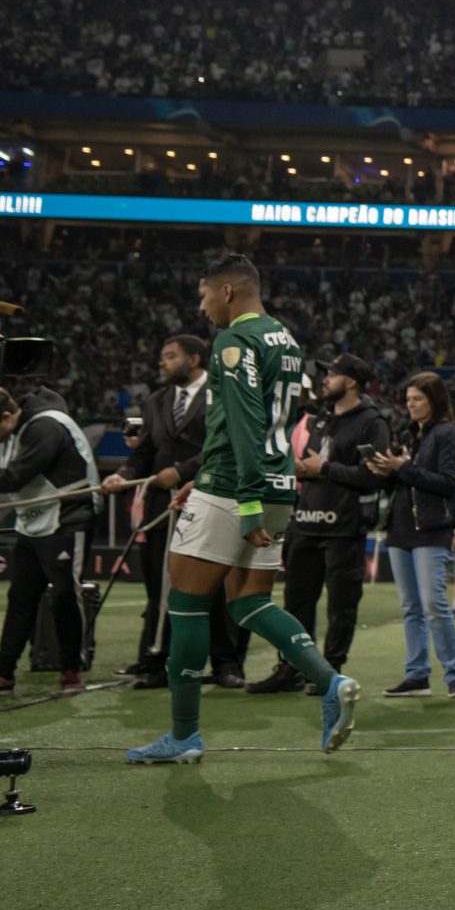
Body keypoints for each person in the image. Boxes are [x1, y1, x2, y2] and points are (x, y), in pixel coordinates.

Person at [126, 253, 356, 764]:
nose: (202, 306)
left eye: (204, 295)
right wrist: (215, 486)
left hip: (239, 489)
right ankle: (329, 680)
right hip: (276, 485)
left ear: (228, 291)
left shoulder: (233, 341)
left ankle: (183, 735)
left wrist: (241, 500)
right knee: (250, 604)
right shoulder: (286, 340)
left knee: (184, 605)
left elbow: (244, 424)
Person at [102, 335, 243, 690]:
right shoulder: (155, 401)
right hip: (161, 506)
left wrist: (182, 472)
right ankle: (157, 661)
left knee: (211, 586)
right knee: (159, 587)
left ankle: (226, 663)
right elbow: (145, 451)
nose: (161, 362)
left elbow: (229, 446)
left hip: (209, 499)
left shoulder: (224, 393)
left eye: (170, 356)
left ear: (194, 359)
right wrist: (125, 474)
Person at [253, 354, 388, 695]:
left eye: (332, 374)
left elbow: (373, 477)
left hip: (344, 528)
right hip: (305, 524)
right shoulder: (318, 420)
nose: (324, 379)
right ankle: (291, 669)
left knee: (341, 606)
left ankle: (328, 673)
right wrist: (302, 469)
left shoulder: (373, 423)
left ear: (352, 382)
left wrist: (323, 468)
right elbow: (310, 466)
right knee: (295, 603)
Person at [369, 372, 455, 699]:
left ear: (434, 400)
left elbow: (448, 482)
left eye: (417, 399)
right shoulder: (409, 435)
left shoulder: (448, 434)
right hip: (400, 527)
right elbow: (403, 482)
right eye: (408, 399)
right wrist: (384, 472)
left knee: (433, 604)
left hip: (431, 527)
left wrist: (402, 468)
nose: (410, 404)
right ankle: (417, 676)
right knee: (411, 606)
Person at [0, 382, 101, 694]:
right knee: (20, 597)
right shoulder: (16, 429)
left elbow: (16, 476)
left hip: (67, 519)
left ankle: (71, 669)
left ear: (6, 416)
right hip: (33, 521)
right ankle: (4, 671)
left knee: (65, 595)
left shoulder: (45, 426)